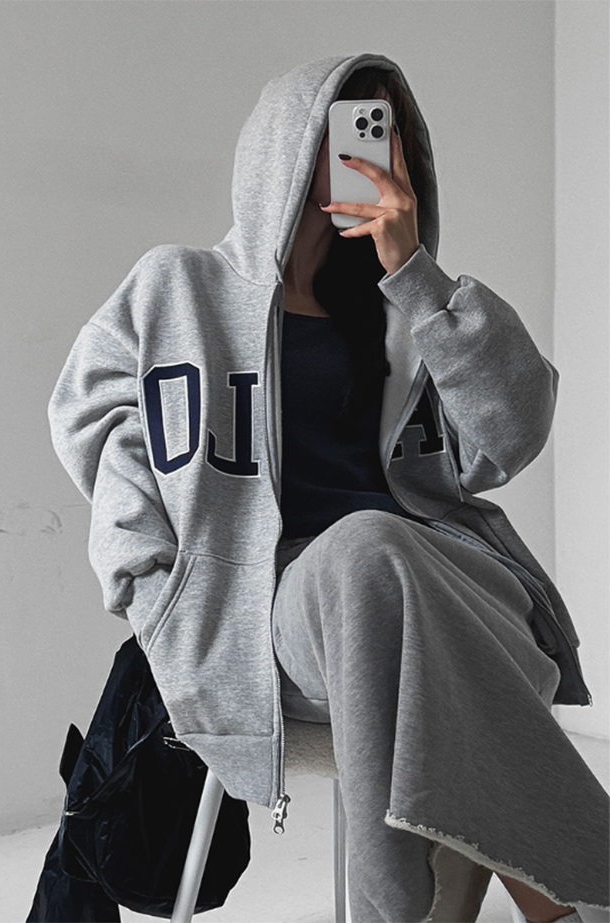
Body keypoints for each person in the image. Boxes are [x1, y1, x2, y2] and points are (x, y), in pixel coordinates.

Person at [48, 54, 609, 923]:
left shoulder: (410, 306)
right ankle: (568, 899)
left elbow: (515, 432)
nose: (373, 151)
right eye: (349, 128)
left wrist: (413, 270)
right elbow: (93, 416)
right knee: (363, 552)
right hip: (284, 619)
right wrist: (150, 586)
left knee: (377, 556)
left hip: (444, 589)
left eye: (388, 133)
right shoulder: (181, 288)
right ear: (289, 144)